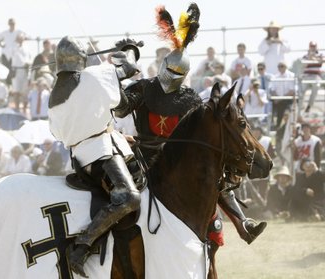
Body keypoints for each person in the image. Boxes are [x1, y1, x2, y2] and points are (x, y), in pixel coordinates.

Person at [115, 3, 266, 248]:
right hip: (143, 156)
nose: (170, 75)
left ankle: (242, 223)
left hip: (178, 162)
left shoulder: (191, 100)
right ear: (162, 65)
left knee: (213, 178)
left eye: (176, 72)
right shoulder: (144, 88)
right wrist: (119, 73)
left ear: (184, 75)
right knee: (115, 185)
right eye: (169, 69)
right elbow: (121, 108)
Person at [48, 35, 142, 277]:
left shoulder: (54, 97)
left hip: (83, 157)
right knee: (129, 197)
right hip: (100, 154)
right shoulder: (91, 77)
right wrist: (126, 50)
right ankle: (82, 246)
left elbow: (59, 132)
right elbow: (129, 69)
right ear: (81, 60)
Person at [0, 18, 25, 85]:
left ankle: (12, 86)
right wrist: (1, 45)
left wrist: (20, 41)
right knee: (5, 70)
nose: (12, 25)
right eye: (10, 23)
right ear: (8, 24)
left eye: (13, 23)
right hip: (5, 54)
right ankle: (7, 85)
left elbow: (25, 37)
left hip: (13, 55)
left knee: (13, 71)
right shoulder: (5, 32)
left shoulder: (19, 31)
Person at [268, 61, 295, 128]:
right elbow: (272, 89)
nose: (280, 68)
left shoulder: (291, 75)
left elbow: (292, 91)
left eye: (282, 66)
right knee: (270, 104)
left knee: (281, 106)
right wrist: (277, 98)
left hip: (287, 99)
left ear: (286, 67)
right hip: (277, 99)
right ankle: (272, 124)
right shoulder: (275, 76)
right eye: (279, 66)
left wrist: (280, 98)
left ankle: (278, 125)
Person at [11, 33, 32, 112]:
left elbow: (30, 59)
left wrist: (28, 63)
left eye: (21, 38)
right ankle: (16, 109)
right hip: (16, 70)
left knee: (24, 92)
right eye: (18, 38)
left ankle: (24, 109)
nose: (20, 39)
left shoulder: (27, 48)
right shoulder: (13, 47)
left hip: (25, 70)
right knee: (16, 91)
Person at [300, 41, 324, 113]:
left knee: (316, 86)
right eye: (311, 46)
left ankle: (309, 105)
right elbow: (303, 64)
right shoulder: (305, 56)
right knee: (302, 90)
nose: (313, 48)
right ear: (309, 47)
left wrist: (314, 58)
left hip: (316, 76)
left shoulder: (320, 54)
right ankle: (301, 106)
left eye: (314, 46)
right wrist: (310, 58)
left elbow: (322, 61)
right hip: (306, 76)